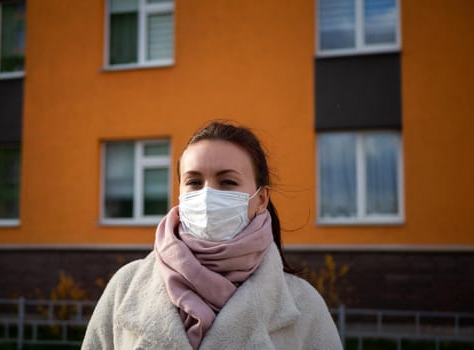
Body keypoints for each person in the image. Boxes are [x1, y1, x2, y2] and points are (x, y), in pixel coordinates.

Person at [82, 121, 343, 350]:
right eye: (194, 182)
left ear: (261, 199)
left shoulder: (304, 304)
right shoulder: (125, 287)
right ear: (180, 194)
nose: (207, 195)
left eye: (227, 182)